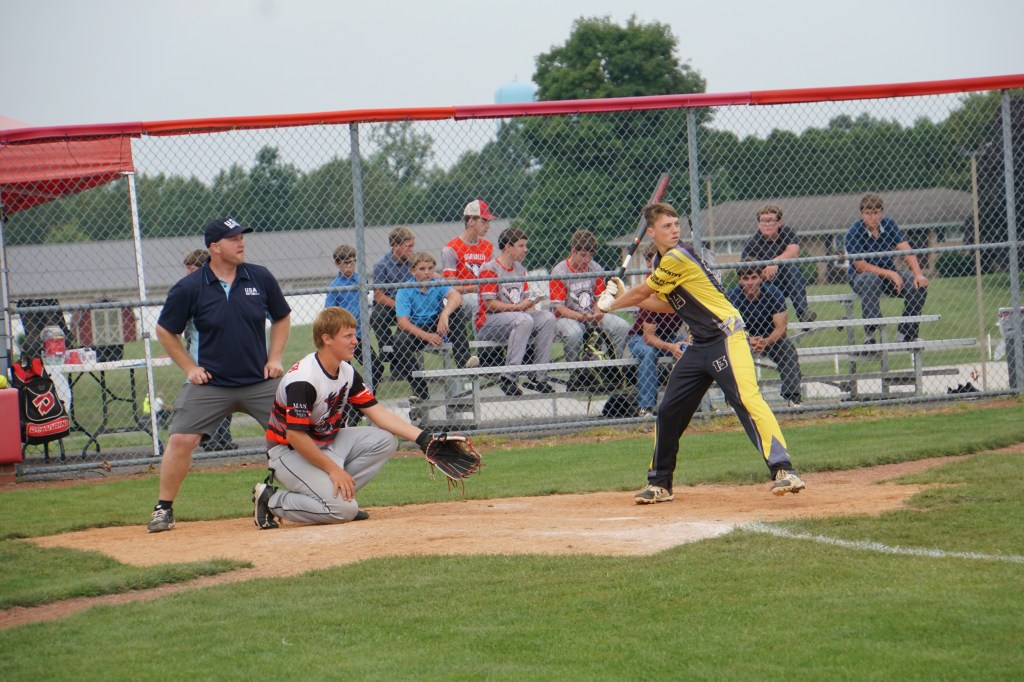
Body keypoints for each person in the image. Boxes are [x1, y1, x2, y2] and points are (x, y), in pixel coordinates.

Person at [598, 202, 806, 503]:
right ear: (651, 232)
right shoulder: (660, 261)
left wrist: (615, 302)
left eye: (676, 224)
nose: (674, 230)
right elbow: (668, 305)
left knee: (747, 400)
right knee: (669, 411)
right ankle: (660, 484)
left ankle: (784, 469)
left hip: (726, 337)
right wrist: (623, 298)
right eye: (667, 226)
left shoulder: (678, 256)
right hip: (699, 344)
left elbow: (644, 291)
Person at [148, 217, 291, 533]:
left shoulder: (260, 277)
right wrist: (190, 368)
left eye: (242, 237)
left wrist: (275, 358)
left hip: (259, 381)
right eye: (233, 239)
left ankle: (309, 499)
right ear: (215, 247)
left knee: (295, 434)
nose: (241, 243)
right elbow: (165, 330)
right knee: (181, 439)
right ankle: (163, 508)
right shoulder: (190, 287)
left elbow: (281, 317)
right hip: (211, 383)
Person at [254, 307, 441, 528]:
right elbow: (295, 436)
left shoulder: (346, 371)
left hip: (324, 443)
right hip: (288, 452)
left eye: (354, 334)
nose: (355, 341)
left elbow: (378, 413)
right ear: (327, 339)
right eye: (348, 336)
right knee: (342, 511)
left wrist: (424, 439)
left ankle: (340, 496)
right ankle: (271, 500)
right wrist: (334, 470)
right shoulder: (304, 379)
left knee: (385, 440)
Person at [475, 228, 557, 396]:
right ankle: (509, 378)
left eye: (525, 245)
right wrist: (519, 308)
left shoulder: (520, 269)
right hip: (489, 322)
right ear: (508, 246)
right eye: (521, 246)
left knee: (548, 318)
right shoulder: (490, 268)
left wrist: (532, 303)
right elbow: (489, 304)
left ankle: (538, 378)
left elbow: (526, 302)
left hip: (518, 318)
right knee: (524, 319)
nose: (526, 249)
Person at [394, 252, 479, 401]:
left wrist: (444, 314)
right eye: (422, 269)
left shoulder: (437, 283)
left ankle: (464, 360)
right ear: (412, 270)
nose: (427, 272)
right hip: (416, 328)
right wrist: (427, 336)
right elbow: (402, 322)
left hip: (436, 324)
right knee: (399, 340)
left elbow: (456, 297)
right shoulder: (405, 289)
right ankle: (420, 390)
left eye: (430, 268)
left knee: (456, 312)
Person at [844, 193, 929, 343]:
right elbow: (860, 266)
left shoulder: (889, 224)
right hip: (861, 277)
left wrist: (918, 274)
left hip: (888, 274)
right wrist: (891, 274)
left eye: (876, 212)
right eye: (868, 213)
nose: (873, 217)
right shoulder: (854, 232)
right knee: (871, 279)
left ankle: (905, 335)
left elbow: (906, 250)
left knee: (918, 286)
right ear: (862, 214)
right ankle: (870, 336)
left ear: (882, 212)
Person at [726, 263, 804, 407]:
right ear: (739, 280)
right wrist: (747, 340)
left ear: (761, 277)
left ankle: (793, 398)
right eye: (745, 278)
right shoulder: (731, 297)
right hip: (741, 338)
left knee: (787, 349)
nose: (750, 282)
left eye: (754, 277)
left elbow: (781, 329)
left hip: (770, 337)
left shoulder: (774, 293)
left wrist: (764, 342)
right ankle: (733, 401)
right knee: (728, 352)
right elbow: (727, 328)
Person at [181, 249, 236, 451]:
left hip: (220, 351)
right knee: (207, 398)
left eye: (192, 269)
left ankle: (223, 438)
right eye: (188, 270)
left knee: (225, 396)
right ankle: (210, 439)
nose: (189, 274)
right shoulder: (189, 290)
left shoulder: (218, 288)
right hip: (200, 355)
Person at [549, 229, 631, 364]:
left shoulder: (596, 268)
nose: (587, 259)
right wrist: (581, 317)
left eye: (590, 255)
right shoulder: (559, 271)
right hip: (566, 318)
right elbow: (559, 308)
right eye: (583, 255)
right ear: (573, 250)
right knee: (574, 333)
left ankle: (610, 367)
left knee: (622, 327)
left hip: (592, 315)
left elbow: (599, 299)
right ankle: (575, 371)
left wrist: (597, 314)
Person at [625, 247, 689, 417]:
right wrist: (671, 347)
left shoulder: (685, 291)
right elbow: (648, 337)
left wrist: (685, 343)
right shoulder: (653, 292)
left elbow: (691, 326)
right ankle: (646, 407)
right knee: (649, 353)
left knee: (691, 351)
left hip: (668, 335)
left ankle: (697, 404)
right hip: (640, 338)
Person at [741, 204, 816, 323]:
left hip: (788, 282)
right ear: (758, 224)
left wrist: (774, 263)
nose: (767, 224)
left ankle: (803, 314)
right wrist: (764, 275)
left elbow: (793, 252)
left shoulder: (787, 232)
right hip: (765, 285)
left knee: (790, 265)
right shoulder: (751, 243)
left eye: (771, 220)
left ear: (779, 222)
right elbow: (746, 273)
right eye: (763, 221)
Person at [327, 244, 377, 391]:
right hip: (343, 336)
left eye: (352, 262)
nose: (349, 266)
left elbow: (368, 299)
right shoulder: (334, 286)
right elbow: (329, 312)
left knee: (376, 367)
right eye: (345, 263)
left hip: (360, 334)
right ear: (337, 264)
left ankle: (366, 399)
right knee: (346, 373)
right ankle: (350, 400)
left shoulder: (361, 279)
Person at [370, 226, 416, 370]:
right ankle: (389, 353)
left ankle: (400, 356)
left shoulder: (414, 262)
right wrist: (400, 305)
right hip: (391, 304)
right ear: (395, 246)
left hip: (413, 304)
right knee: (377, 314)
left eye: (412, 246)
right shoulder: (381, 265)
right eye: (408, 246)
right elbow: (379, 296)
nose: (412, 250)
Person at [441, 199, 496, 316]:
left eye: (488, 222)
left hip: (485, 294)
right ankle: (481, 329)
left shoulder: (489, 247)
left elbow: (493, 278)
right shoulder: (451, 248)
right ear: (471, 221)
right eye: (484, 222)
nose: (488, 226)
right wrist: (478, 287)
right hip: (462, 296)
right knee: (477, 301)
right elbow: (450, 288)